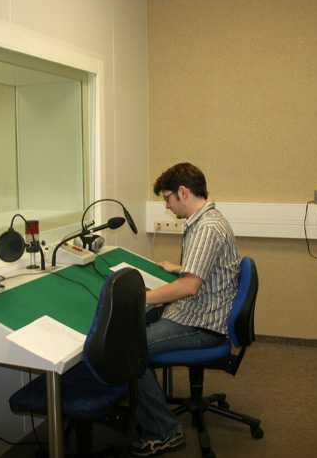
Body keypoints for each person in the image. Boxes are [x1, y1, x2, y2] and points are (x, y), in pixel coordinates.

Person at [130, 162, 241, 457]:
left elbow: (190, 287)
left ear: (183, 192)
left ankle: (163, 431)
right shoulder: (208, 219)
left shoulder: (206, 228)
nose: (166, 206)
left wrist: (144, 297)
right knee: (137, 330)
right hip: (201, 311)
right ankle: (148, 410)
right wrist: (181, 267)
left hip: (202, 323)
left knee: (129, 348)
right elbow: (208, 270)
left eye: (167, 198)